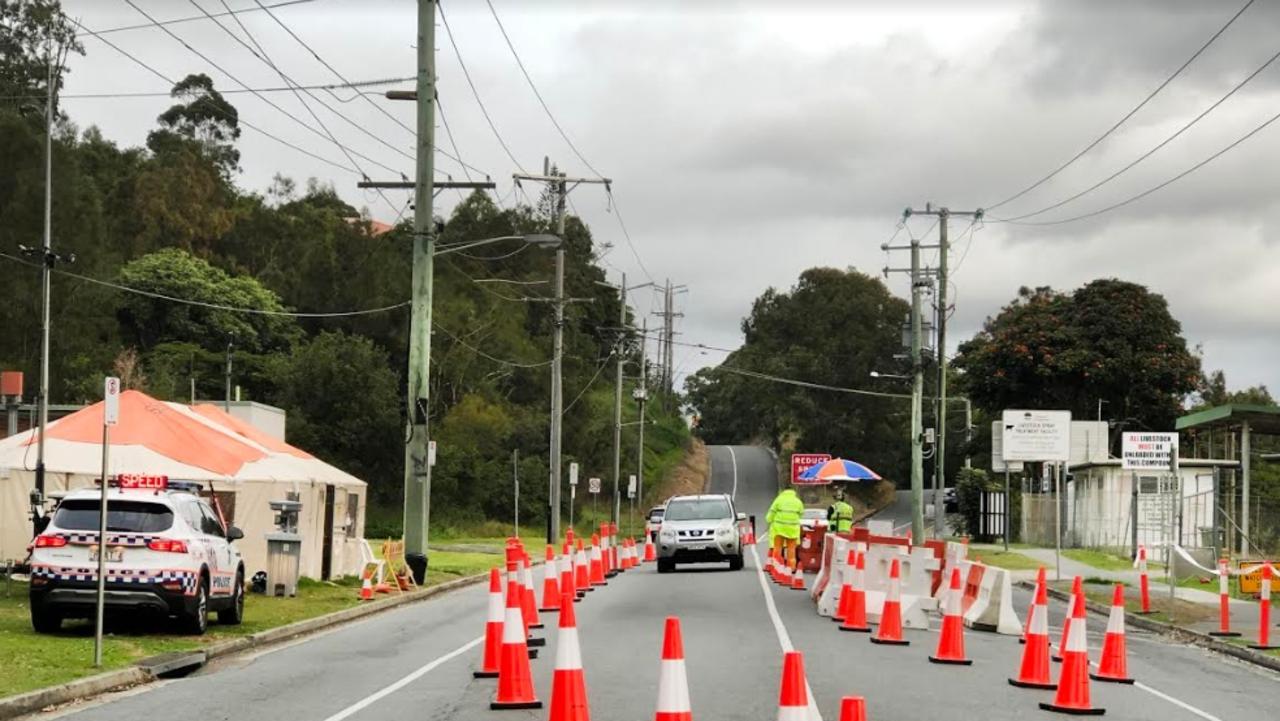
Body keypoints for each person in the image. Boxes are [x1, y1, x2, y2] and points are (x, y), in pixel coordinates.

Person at [766, 486, 805, 571]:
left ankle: (776, 566)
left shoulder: (779, 500)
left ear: (783, 491)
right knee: (791, 550)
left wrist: (768, 520)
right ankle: (792, 567)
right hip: (792, 530)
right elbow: (801, 513)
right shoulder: (798, 501)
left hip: (779, 529)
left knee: (778, 548)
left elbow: (772, 512)